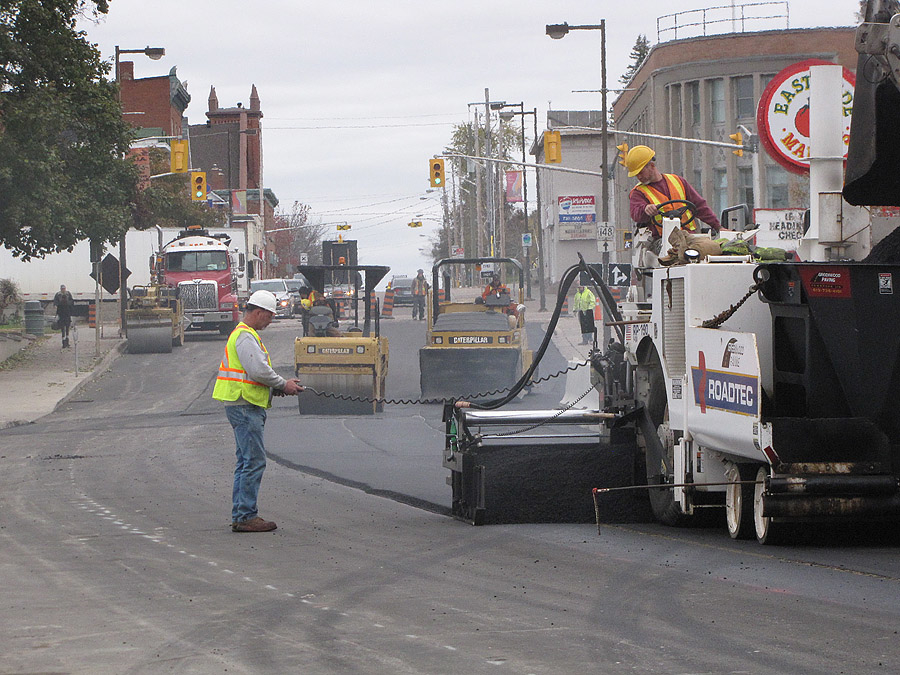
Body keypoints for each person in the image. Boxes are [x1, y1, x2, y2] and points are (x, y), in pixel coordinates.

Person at [212, 290, 304, 533]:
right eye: (270, 316)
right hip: (245, 406)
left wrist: (277, 389)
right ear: (259, 312)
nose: (270, 321)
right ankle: (245, 516)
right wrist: (283, 384)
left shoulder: (245, 335)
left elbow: (253, 373)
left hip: (242, 403)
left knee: (245, 461)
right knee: (253, 461)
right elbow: (259, 371)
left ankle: (242, 513)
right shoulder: (245, 336)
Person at [626, 145, 722, 260]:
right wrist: (646, 209)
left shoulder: (678, 181)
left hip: (690, 235)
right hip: (662, 240)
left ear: (651, 166)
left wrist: (718, 227)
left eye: (640, 172)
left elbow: (700, 206)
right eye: (636, 174)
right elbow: (636, 212)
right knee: (683, 251)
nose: (639, 177)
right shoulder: (638, 192)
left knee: (716, 248)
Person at [53, 284, 74, 348]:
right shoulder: (58, 295)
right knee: (64, 328)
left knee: (66, 328)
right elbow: (55, 302)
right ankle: (64, 342)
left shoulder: (68, 294)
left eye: (64, 288)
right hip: (63, 315)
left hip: (66, 314)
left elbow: (71, 302)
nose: (63, 290)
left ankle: (66, 342)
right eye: (62, 289)